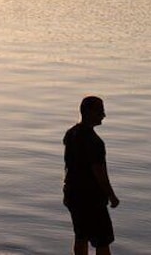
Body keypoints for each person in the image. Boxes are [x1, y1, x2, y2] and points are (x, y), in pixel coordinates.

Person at [63, 96, 120, 255]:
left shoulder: (71, 134)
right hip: (91, 199)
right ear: (88, 112)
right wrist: (112, 196)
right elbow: (100, 173)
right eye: (100, 111)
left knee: (81, 236)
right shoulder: (95, 142)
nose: (103, 115)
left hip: (73, 194)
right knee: (102, 240)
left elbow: (69, 166)